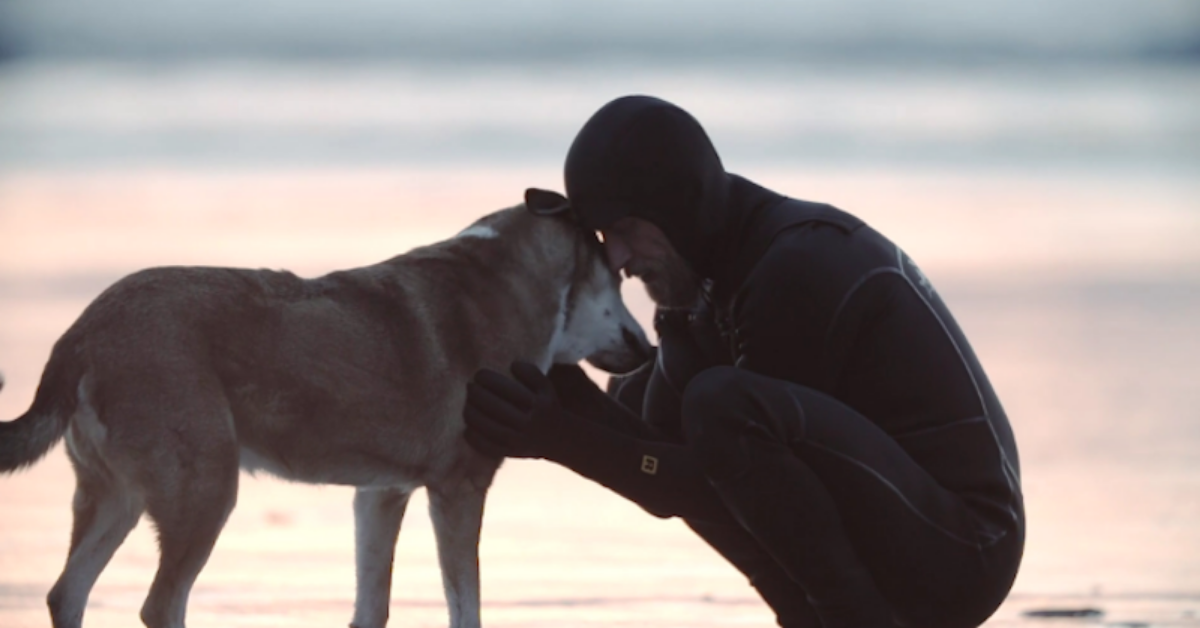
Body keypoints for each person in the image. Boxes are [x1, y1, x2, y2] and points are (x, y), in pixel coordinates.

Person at [462, 95, 1024, 628]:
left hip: (963, 552)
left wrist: (558, 436)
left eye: (626, 229)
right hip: (895, 533)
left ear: (677, 206)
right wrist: (562, 392)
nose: (617, 259)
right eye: (605, 237)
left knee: (720, 408)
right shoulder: (704, 288)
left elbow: (721, 481)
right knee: (635, 394)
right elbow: (661, 464)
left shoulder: (799, 265)